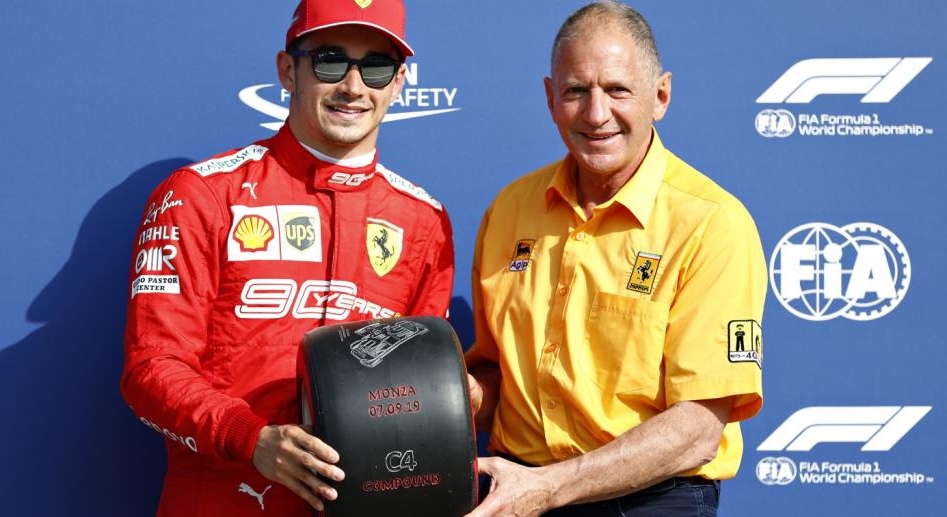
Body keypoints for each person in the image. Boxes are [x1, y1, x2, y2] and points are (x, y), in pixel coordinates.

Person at [121, 1, 454, 514]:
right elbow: (151, 369)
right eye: (329, 59)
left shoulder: (423, 221)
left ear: (400, 81)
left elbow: (418, 392)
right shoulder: (203, 195)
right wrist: (251, 440)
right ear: (286, 70)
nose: (353, 85)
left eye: (376, 65)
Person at [464, 2, 767, 515]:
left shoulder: (711, 223)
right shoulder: (510, 209)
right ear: (550, 97)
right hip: (513, 490)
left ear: (661, 95)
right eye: (576, 91)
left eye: (618, 90)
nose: (596, 113)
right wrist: (437, 399)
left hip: (648, 501)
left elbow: (698, 428)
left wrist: (549, 488)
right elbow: (495, 373)